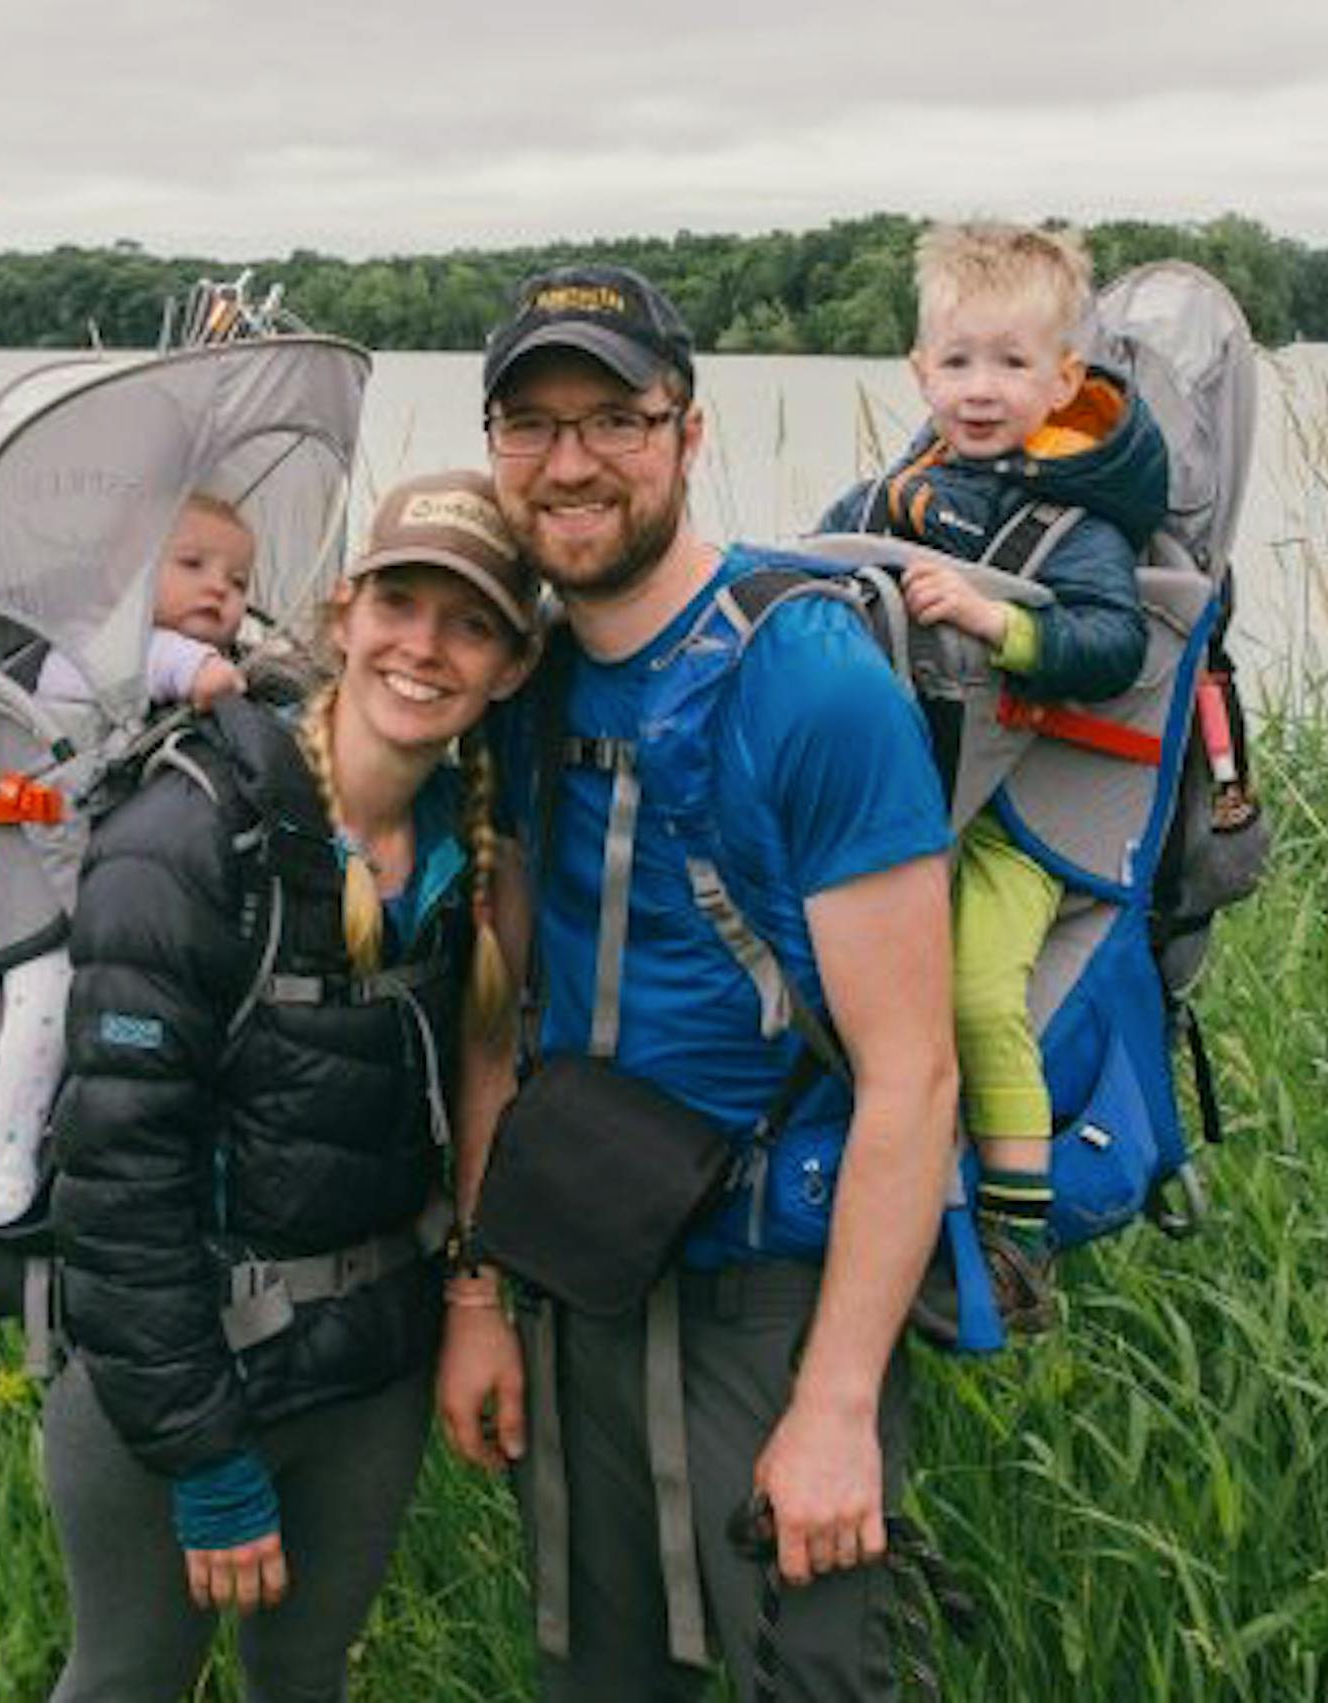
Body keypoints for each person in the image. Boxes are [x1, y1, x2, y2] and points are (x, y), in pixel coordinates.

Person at [436, 263, 959, 1703]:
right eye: (530, 425)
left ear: (687, 432)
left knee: (821, 1679)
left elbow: (913, 1070)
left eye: (615, 416)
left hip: (771, 1295)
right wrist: (481, 1294)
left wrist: (839, 1403)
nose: (572, 462)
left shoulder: (806, 676)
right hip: (578, 1269)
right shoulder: (522, 681)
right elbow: (498, 1010)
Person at [41, 470, 538, 1702]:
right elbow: (115, 1185)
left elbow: (486, 1077)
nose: (426, 647)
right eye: (401, 604)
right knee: (129, 1679)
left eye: (470, 622)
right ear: (342, 616)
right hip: (174, 1373)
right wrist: (204, 1454)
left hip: (367, 1367)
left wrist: (477, 1301)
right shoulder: (189, 837)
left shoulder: (475, 863)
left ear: (513, 666)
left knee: (305, 1671)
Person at [816, 221, 1165, 1316]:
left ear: (1065, 379)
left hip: (1028, 811)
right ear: (921, 370)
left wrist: (995, 622)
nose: (981, 388)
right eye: (958, 361)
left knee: (971, 991)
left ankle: (1019, 1237)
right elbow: (807, 560)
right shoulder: (894, 494)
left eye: (1013, 364)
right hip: (920, 798)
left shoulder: (1082, 524)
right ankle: (898, 1197)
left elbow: (1115, 647)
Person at [0, 492, 255, 1231]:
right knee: (43, 1010)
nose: (220, 589)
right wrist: (223, 678)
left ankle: (57, 1133)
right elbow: (191, 675)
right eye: (192, 565)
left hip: (97, 877)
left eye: (240, 581)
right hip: (43, 891)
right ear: (126, 580)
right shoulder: (105, 648)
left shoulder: (158, 650)